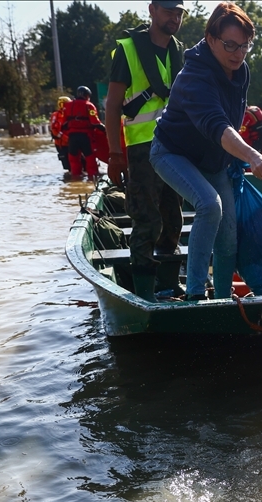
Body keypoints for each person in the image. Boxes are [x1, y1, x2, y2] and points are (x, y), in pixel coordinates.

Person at [149, 2, 262, 301]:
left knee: (228, 234)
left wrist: (235, 159)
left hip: (214, 160)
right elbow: (217, 126)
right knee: (209, 204)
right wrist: (253, 156)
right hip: (172, 152)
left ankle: (221, 298)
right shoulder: (194, 75)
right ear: (210, 38)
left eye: (245, 46)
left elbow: (231, 119)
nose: (238, 53)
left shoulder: (240, 70)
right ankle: (195, 295)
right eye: (230, 44)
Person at [105, 0, 188, 302]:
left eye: (179, 12)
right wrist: (115, 154)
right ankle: (144, 293)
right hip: (141, 150)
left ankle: (169, 285)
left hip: (175, 148)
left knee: (173, 219)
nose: (174, 17)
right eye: (169, 11)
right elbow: (113, 107)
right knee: (146, 220)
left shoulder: (181, 51)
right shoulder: (128, 50)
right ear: (152, 10)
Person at [62, 86, 105, 181]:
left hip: (72, 138)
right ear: (87, 95)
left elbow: (64, 125)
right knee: (90, 161)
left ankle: (75, 181)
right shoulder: (89, 106)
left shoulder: (67, 106)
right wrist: (106, 131)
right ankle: (93, 180)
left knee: (74, 161)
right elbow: (95, 122)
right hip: (86, 137)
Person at [240, 104, 262, 169]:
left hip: (256, 143)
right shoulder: (256, 109)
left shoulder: (246, 116)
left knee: (252, 165)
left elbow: (243, 134)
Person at [50, 96, 71, 177]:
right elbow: (54, 130)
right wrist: (65, 138)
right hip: (61, 144)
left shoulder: (70, 114)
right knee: (67, 164)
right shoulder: (56, 115)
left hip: (72, 142)